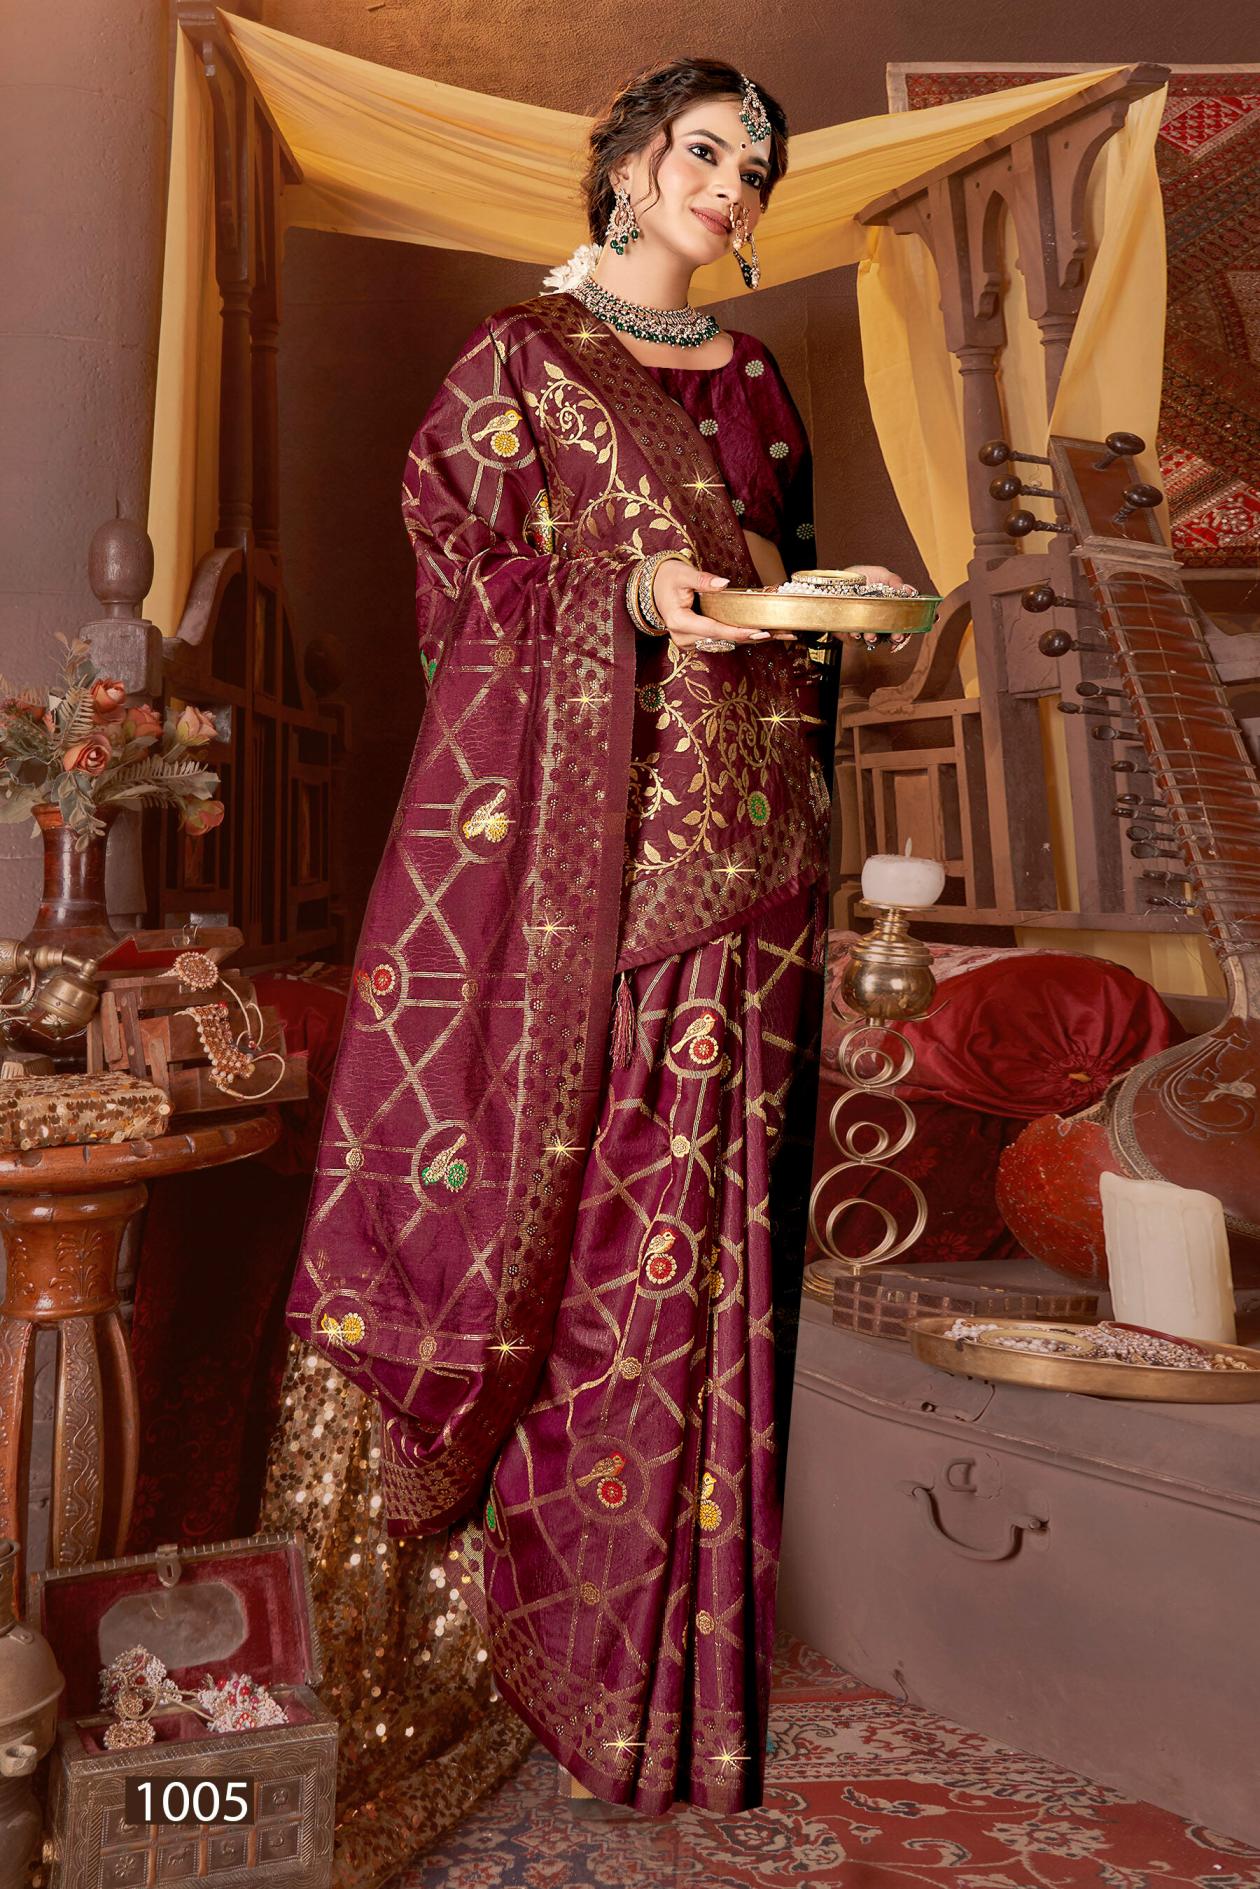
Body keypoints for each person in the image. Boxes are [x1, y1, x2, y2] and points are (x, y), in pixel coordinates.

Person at [285, 56, 906, 1818]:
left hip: (761, 858)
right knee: (596, 1228)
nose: (734, 186)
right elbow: (464, 585)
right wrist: (628, 596)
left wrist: (825, 606)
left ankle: (674, 1683)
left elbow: (779, 580)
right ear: (628, 166)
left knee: (716, 1255)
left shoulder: (759, 378)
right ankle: (545, 1635)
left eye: (756, 169)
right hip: (598, 885)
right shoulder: (518, 364)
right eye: (705, 151)